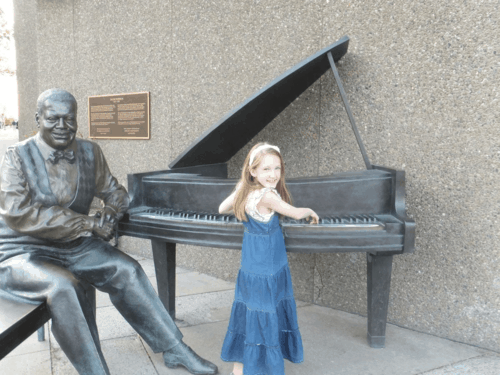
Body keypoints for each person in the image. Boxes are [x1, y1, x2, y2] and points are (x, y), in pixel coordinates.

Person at [0, 88, 218, 375]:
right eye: (53, 119)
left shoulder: (90, 152)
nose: (63, 126)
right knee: (65, 286)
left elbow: (116, 193)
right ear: (38, 118)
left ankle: (175, 349)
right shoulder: (15, 157)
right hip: (23, 252)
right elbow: (18, 213)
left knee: (126, 268)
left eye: (70, 118)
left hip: (74, 246)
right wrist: (89, 224)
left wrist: (109, 215)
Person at [219, 143, 319, 375]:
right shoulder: (267, 195)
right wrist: (310, 211)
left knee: (249, 313)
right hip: (269, 265)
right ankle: (262, 368)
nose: (273, 175)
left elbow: (222, 207)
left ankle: (239, 368)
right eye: (266, 169)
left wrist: (241, 186)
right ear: (253, 171)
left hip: (251, 266)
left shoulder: (246, 191)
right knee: (268, 312)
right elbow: (294, 212)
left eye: (277, 168)